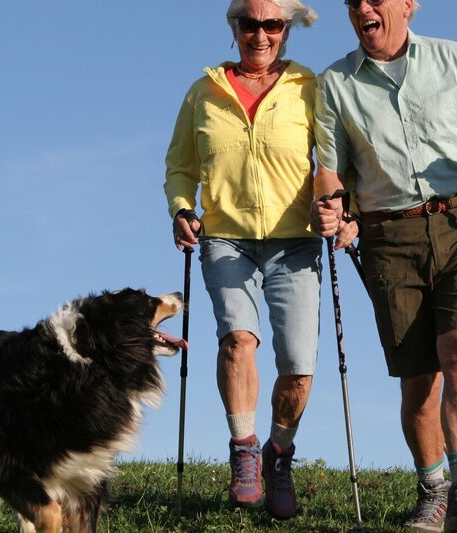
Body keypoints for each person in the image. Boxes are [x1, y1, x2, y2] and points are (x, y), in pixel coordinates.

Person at [310, 1, 457, 532]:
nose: (364, 7)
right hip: (390, 234)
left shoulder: (456, 59)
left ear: (407, 5)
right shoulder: (334, 83)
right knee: (418, 380)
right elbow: (329, 168)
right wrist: (331, 206)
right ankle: (433, 490)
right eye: (353, 1)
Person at [163, 0, 320, 520]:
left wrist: (342, 210)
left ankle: (279, 453)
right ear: (234, 28)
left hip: (295, 241)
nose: (260, 34)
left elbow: (336, 161)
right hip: (226, 237)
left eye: (271, 24)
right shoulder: (204, 91)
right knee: (237, 340)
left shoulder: (308, 88)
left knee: (297, 367)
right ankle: (244, 451)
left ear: (286, 30)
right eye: (249, 24)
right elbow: (180, 166)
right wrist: (183, 208)